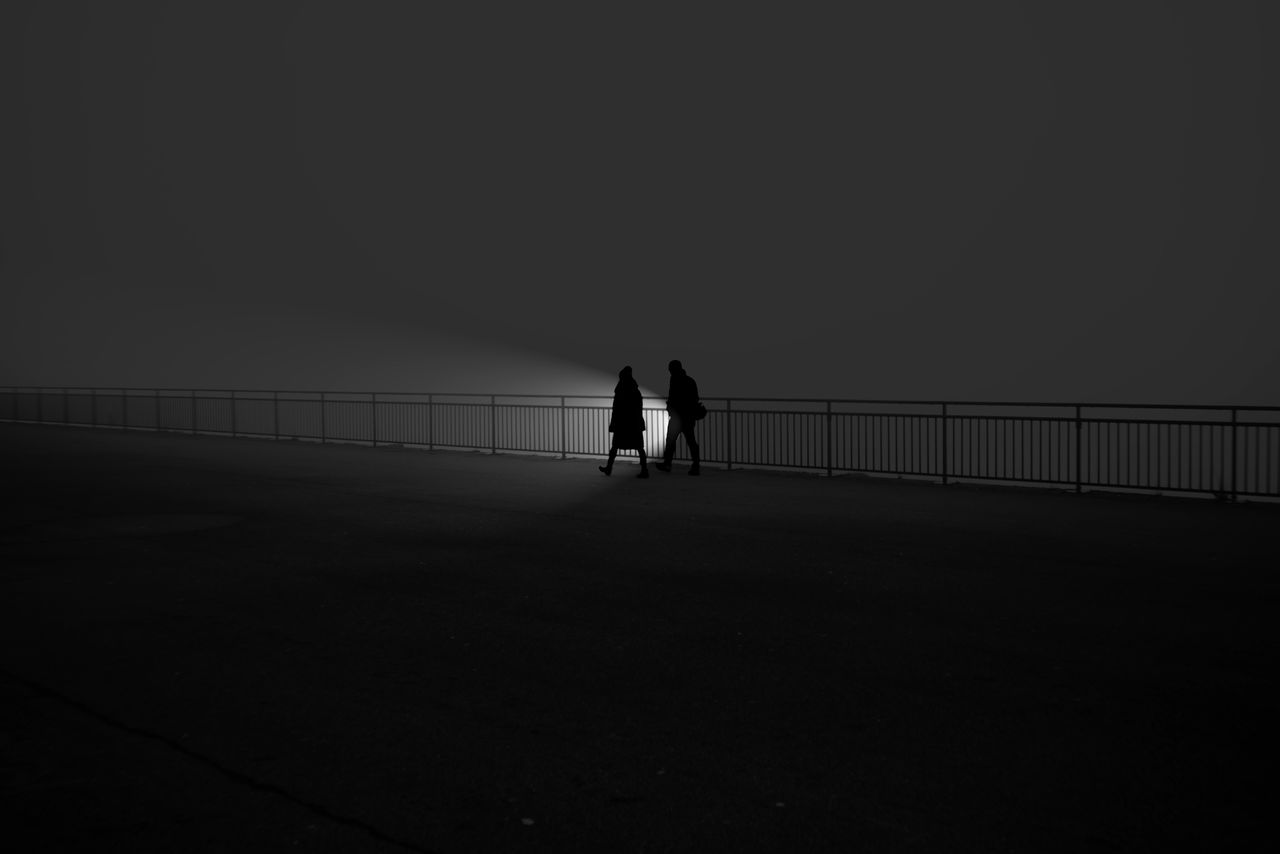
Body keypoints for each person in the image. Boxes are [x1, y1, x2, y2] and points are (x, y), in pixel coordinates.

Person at [599, 365, 649, 478]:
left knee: (615, 446)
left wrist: (613, 423)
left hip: (622, 423)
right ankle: (644, 470)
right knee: (639, 447)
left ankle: (609, 468)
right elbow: (638, 408)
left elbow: (616, 409)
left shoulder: (620, 390)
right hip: (634, 423)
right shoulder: (635, 390)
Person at [654, 359, 700, 476]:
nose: (670, 372)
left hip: (679, 417)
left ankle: (668, 464)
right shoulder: (688, 380)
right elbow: (694, 399)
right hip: (685, 417)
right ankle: (695, 465)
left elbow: (675, 397)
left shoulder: (676, 380)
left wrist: (671, 407)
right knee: (689, 441)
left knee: (673, 441)